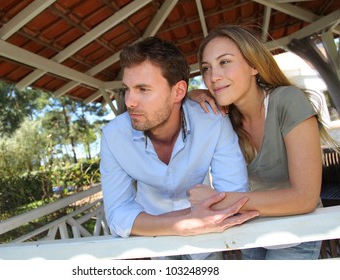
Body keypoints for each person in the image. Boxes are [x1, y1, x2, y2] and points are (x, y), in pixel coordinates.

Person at [100, 36, 259, 260]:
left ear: (178, 92)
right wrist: (182, 223)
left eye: (143, 89)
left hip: (207, 243)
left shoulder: (213, 121)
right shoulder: (113, 136)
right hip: (152, 241)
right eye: (127, 89)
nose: (129, 102)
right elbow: (117, 213)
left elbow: (234, 194)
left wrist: (198, 219)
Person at [188, 24, 338, 260]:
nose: (212, 77)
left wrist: (219, 200)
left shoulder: (287, 101)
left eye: (224, 62)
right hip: (251, 228)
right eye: (206, 68)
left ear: (254, 65)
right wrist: (191, 96)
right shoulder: (222, 118)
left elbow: (305, 198)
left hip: (296, 231)